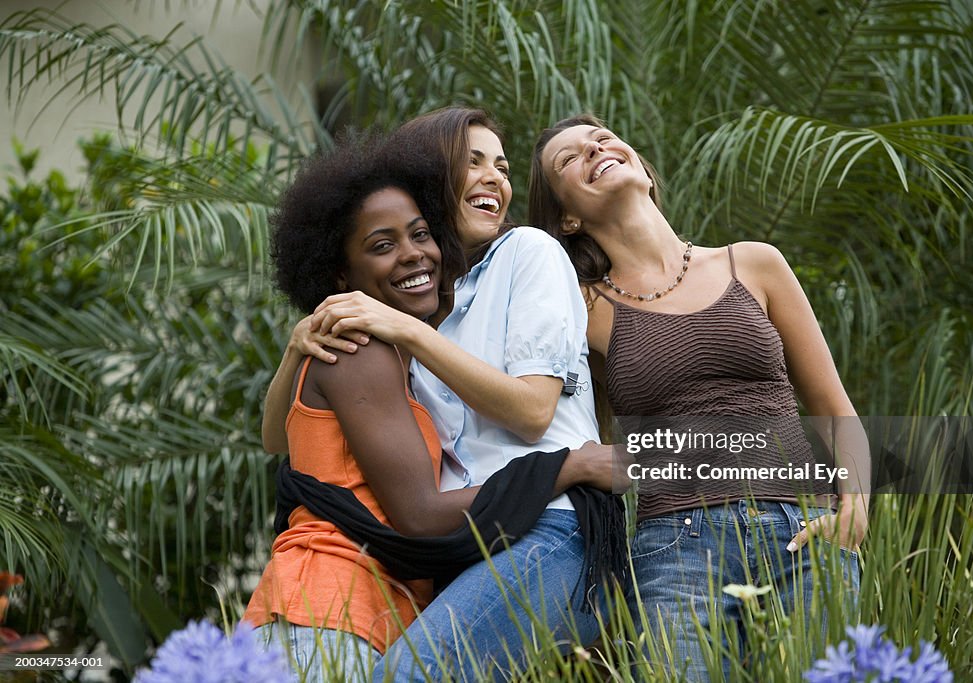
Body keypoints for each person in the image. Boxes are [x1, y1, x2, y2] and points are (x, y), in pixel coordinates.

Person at [262, 108, 626, 682]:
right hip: (458, 557)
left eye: (502, 166)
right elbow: (282, 439)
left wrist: (578, 464)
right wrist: (295, 347)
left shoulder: (522, 254)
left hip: (548, 529)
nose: (494, 178)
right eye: (471, 162)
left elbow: (534, 410)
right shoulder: (417, 318)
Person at [529, 114, 871, 681]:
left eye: (604, 137)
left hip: (805, 535)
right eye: (570, 158)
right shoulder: (579, 305)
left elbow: (835, 408)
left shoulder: (753, 263)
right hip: (678, 550)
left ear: (639, 163)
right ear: (568, 216)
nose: (595, 148)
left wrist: (855, 506)